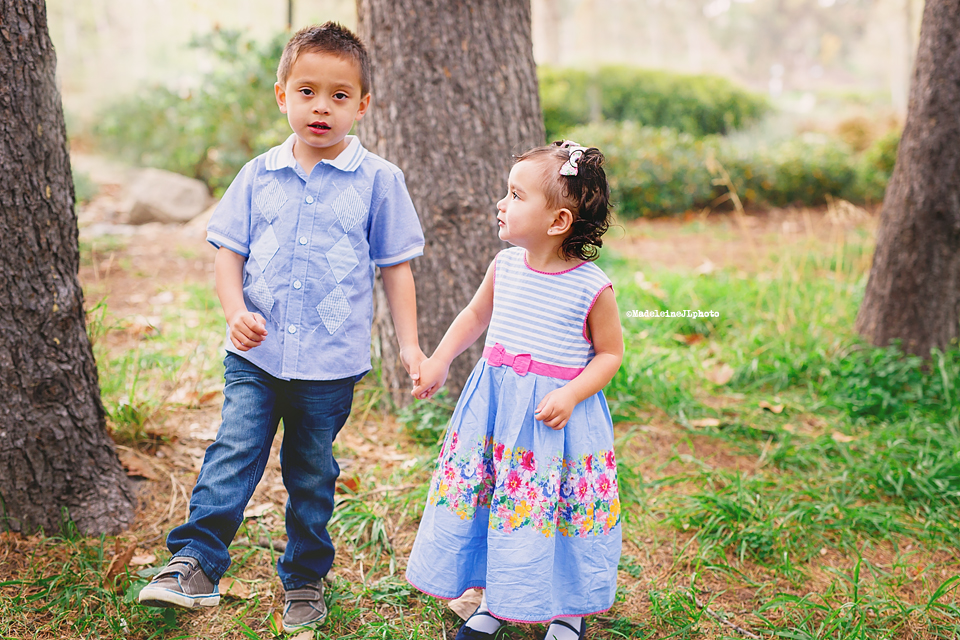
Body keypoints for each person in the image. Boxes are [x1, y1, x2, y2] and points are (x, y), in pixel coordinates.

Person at [138, 22, 426, 634]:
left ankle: (304, 577)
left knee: (311, 471)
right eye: (307, 91)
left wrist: (410, 345)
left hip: (330, 364)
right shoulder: (257, 174)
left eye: (340, 95)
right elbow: (227, 255)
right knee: (234, 450)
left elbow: (396, 269)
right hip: (257, 355)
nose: (322, 106)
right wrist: (233, 310)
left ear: (363, 104)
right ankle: (194, 563)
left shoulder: (381, 181)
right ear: (282, 95)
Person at [406, 141, 624, 640]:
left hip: (555, 425)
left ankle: (568, 610)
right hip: (498, 415)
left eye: (515, 195)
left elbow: (610, 354)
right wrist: (441, 359)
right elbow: (475, 317)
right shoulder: (504, 266)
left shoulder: (592, 287)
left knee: (551, 509)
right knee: (498, 505)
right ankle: (498, 600)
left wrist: (571, 394)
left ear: (557, 221)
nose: (501, 204)